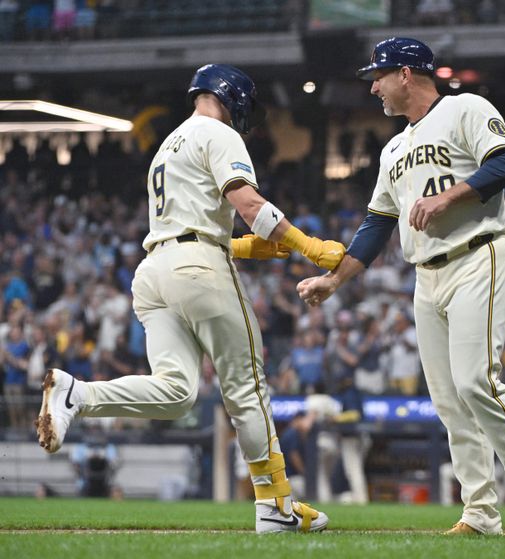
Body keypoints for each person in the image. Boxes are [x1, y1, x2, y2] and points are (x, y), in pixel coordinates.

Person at [35, 64, 345, 534]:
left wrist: (240, 247)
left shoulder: (168, 144)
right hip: (196, 267)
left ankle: (78, 395)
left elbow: (184, 226)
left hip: (155, 270)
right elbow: (250, 206)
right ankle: (275, 505)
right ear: (231, 97)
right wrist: (310, 247)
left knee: (177, 391)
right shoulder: (218, 133)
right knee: (247, 385)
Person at [297, 37, 505, 537]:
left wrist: (451, 197)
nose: (372, 86)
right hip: (426, 275)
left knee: (475, 381)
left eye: (378, 75)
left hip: (476, 253)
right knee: (447, 399)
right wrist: (334, 280)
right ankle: (480, 511)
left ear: (405, 74)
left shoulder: (465, 108)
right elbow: (377, 225)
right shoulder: (392, 147)